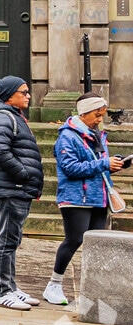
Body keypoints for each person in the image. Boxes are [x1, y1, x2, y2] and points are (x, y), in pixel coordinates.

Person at [44, 95, 124, 306]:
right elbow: (70, 168)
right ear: (84, 112)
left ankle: (93, 291)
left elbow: (98, 166)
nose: (99, 119)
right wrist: (104, 164)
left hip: (99, 197)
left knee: (96, 244)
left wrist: (114, 165)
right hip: (75, 198)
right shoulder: (67, 137)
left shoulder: (98, 135)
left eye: (102, 115)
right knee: (74, 240)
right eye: (97, 115)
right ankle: (54, 284)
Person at [0, 75, 45, 309]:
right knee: (6, 241)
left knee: (12, 240)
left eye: (28, 92)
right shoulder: (3, 117)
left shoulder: (13, 115)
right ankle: (1, 292)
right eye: (23, 92)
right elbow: (0, 151)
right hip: (11, 188)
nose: (28, 96)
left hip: (18, 188)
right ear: (9, 95)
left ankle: (10, 287)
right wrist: (23, 174)